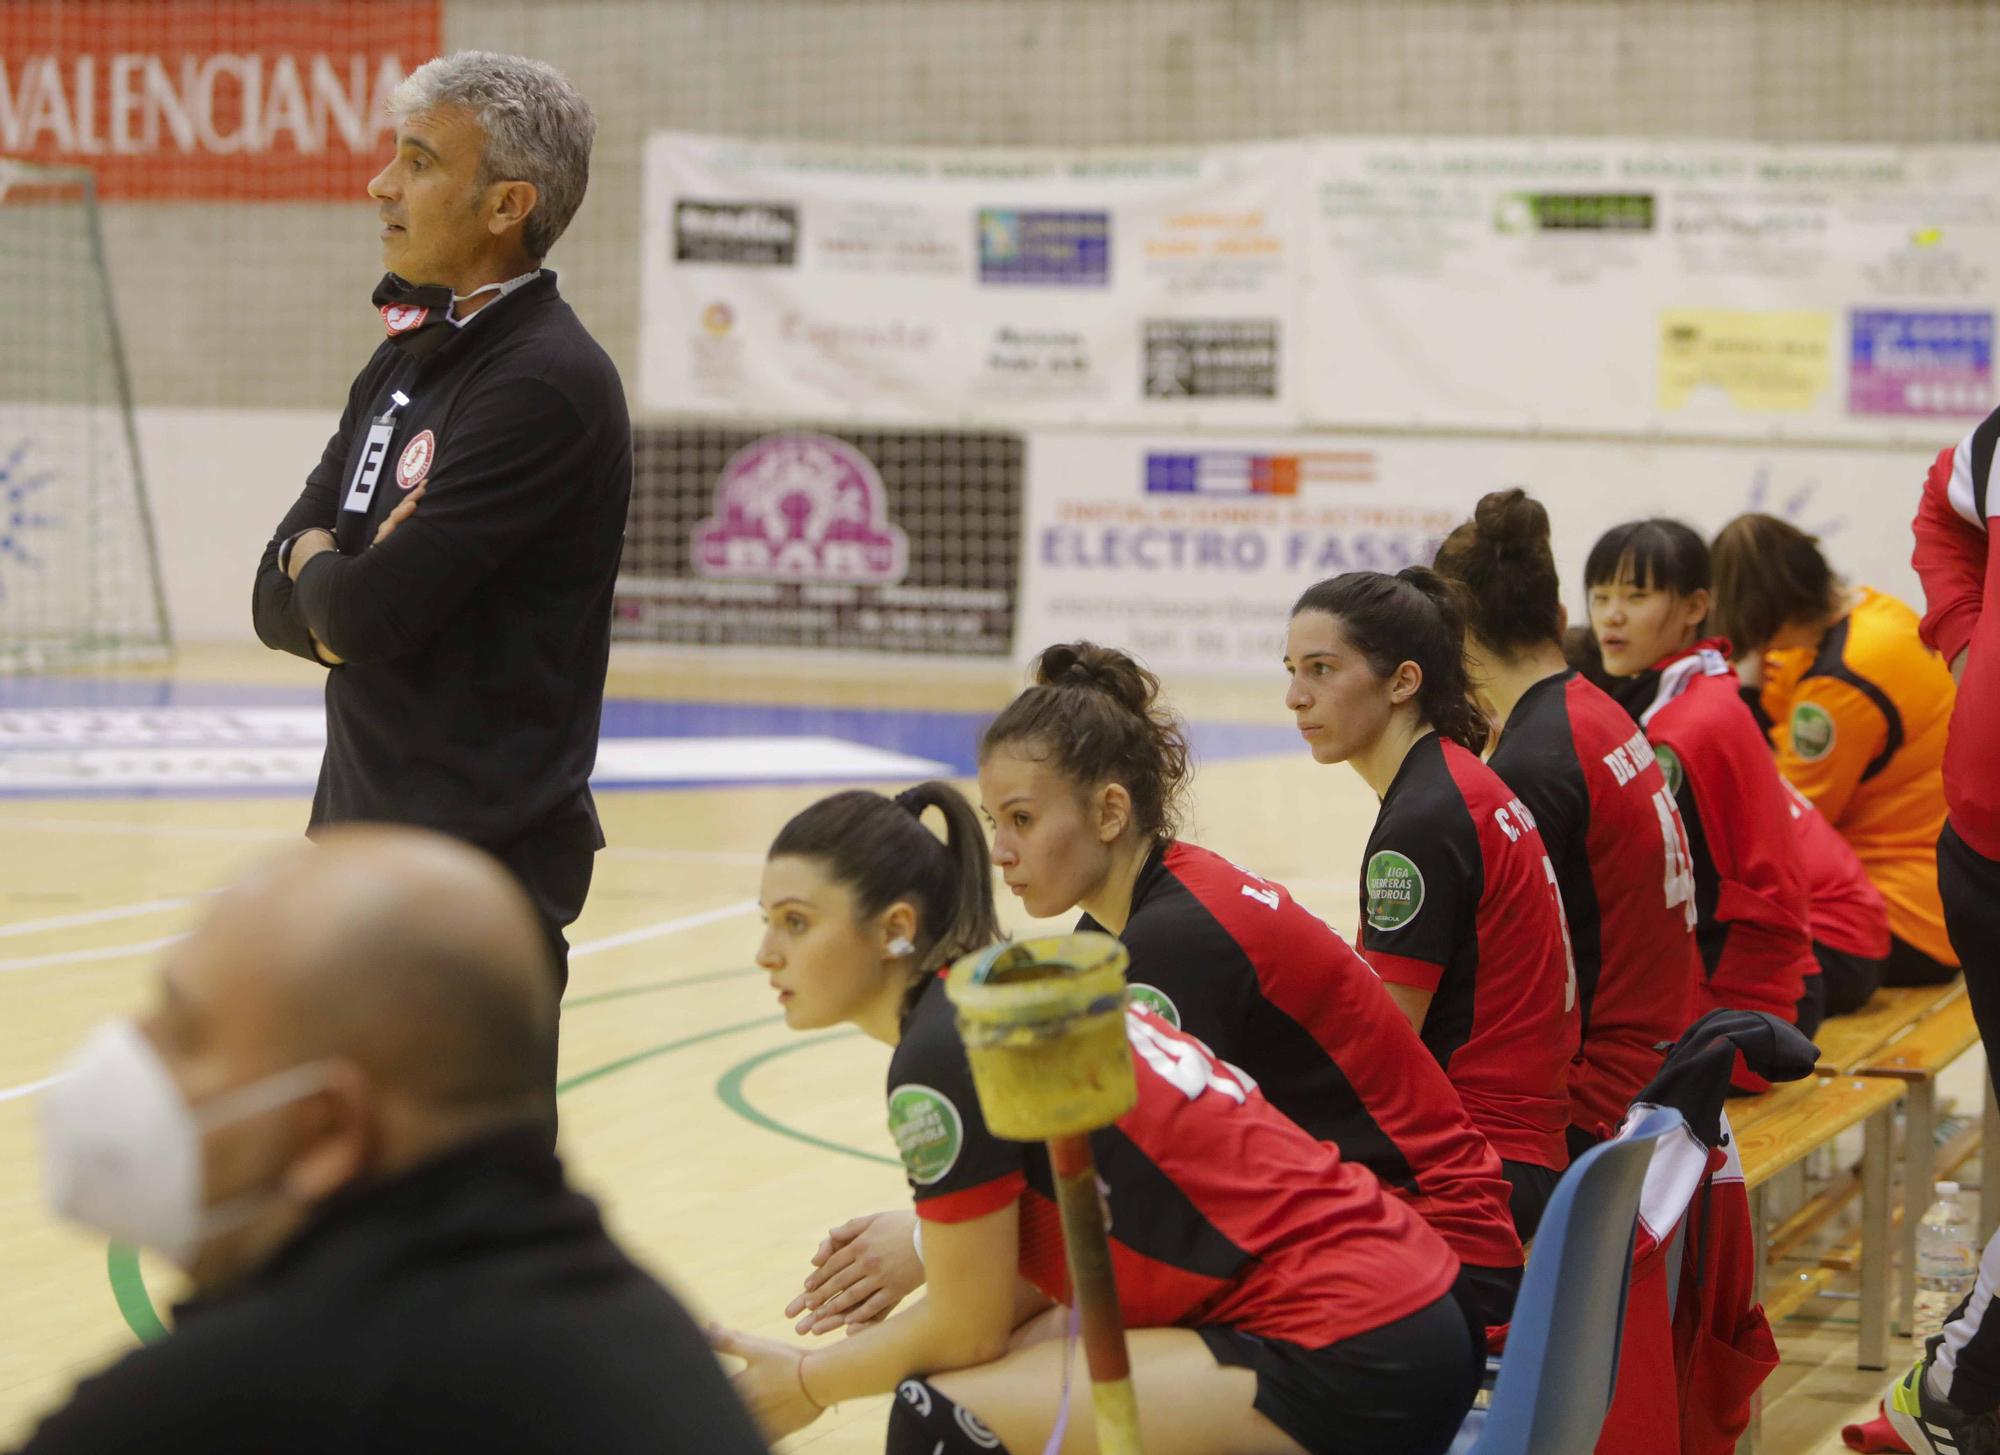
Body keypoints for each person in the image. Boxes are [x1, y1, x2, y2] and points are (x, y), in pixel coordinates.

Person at [711, 783, 1480, 1455]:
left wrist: (808, 1383)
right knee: (988, 1371)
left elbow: (964, 1325)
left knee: (944, 1413)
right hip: (1416, 1308)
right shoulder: (1004, 992)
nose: (765, 953)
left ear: (893, 928)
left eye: (796, 922)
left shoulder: (944, 1049)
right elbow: (1008, 1296)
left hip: (1357, 1343)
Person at [18, 827, 766, 1455]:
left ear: (328, 1132)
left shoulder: (229, 1403)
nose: (131, 1056)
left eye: (183, 1033)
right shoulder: (636, 1324)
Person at [250, 52, 630, 989]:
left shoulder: (543, 382)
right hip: (354, 850)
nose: (381, 185)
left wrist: (324, 571)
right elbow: (271, 596)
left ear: (507, 205)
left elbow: (361, 616)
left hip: (473, 882)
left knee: (461, 1144)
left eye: (418, 162)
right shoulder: (403, 361)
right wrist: (323, 568)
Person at [1284, 568, 1579, 1237]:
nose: (1296, 697)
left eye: (1322, 669)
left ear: (1403, 681)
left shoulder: (1424, 817)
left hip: (1478, 1165)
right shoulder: (1460, 780)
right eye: (1293, 669)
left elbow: (1381, 1050)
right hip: (1524, 1147)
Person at [1431, 488, 1703, 1154]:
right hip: (1666, 1056)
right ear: (1555, 614)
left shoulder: (1533, 764)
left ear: (1454, 637)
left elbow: (1496, 987)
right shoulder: (1597, 710)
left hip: (1603, 1100)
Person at [1579, 520, 1819, 1073]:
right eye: (1601, 596)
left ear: (1695, 607)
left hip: (1745, 1012)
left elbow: (1655, 898)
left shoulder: (1677, 730)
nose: (1612, 615)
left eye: (1637, 596)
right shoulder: (1702, 686)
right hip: (1774, 984)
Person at [1711, 512, 1960, 1002]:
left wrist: (1742, 689)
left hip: (1902, 919)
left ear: (1768, 616)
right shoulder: (1876, 610)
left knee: (1726, 960)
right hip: (1944, 895)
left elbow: (1786, 821)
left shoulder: (1839, 685)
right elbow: (1782, 698)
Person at [1885, 406, 2000, 1455]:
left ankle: (1959, 1384)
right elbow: (1942, 508)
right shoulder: (1997, 440)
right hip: (1977, 851)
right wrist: (1964, 637)